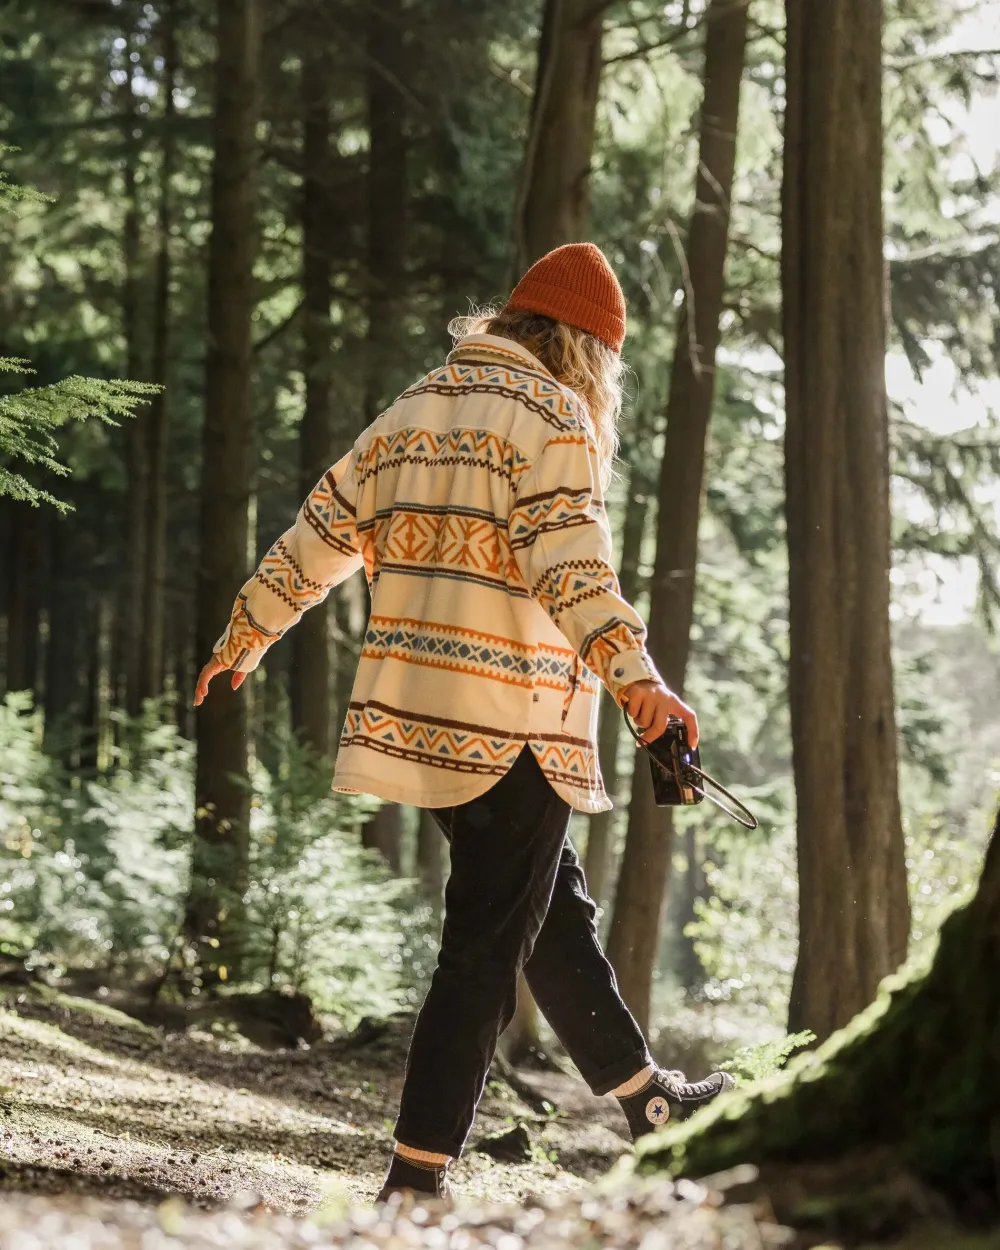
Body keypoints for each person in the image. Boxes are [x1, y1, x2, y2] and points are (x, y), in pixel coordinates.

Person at [194, 243, 733, 1204]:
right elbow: (573, 569)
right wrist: (639, 680)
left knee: (547, 918)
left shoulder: (412, 410)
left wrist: (249, 629)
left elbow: (322, 528)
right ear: (581, 349)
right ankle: (415, 1176)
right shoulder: (551, 418)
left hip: (419, 718)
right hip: (511, 722)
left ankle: (649, 1101)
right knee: (486, 945)